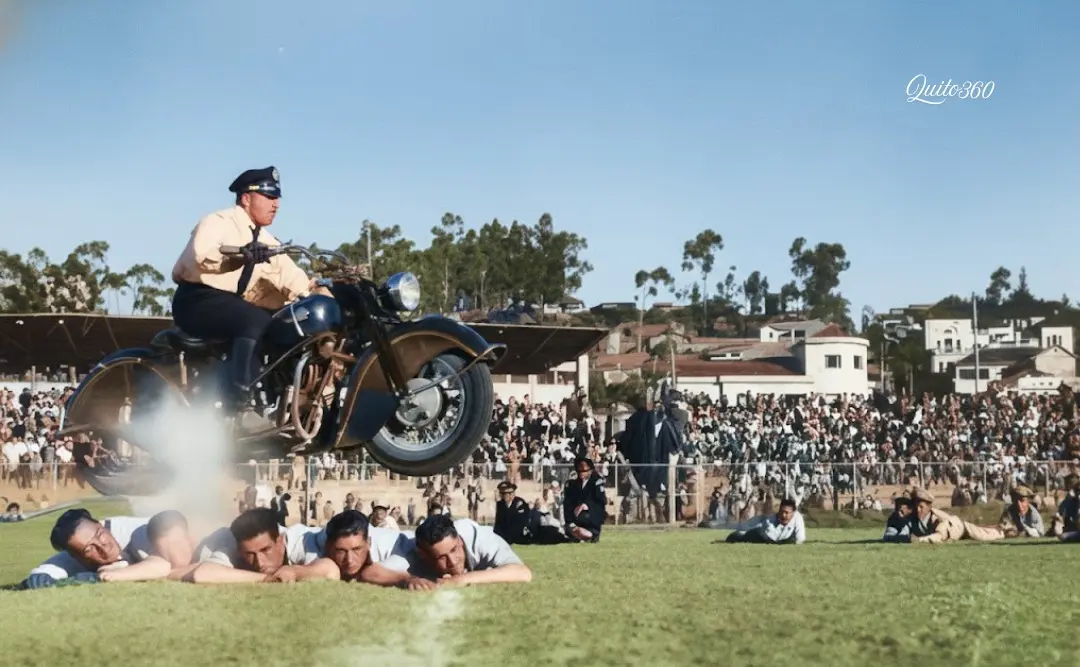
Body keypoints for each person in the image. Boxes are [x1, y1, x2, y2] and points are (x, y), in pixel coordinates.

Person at [169, 166, 330, 430]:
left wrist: (323, 291)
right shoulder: (219, 221)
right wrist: (240, 255)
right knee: (253, 319)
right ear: (246, 198)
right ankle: (239, 404)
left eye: (277, 198)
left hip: (231, 306)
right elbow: (201, 254)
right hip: (196, 300)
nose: (276, 204)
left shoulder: (267, 242)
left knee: (283, 323)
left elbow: (293, 278)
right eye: (268, 197)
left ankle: (276, 403)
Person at [189, 507, 337, 583]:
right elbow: (201, 574)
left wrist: (294, 571)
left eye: (266, 550)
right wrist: (266, 579)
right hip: (204, 547)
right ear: (240, 550)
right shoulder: (228, 545)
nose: (259, 562)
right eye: (250, 554)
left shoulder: (303, 542)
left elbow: (330, 571)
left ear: (280, 541)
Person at [21, 509, 153, 588]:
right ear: (78, 557)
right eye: (90, 549)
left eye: (100, 535)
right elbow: (43, 576)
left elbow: (168, 565)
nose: (102, 547)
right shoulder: (75, 556)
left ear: (100, 524)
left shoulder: (138, 532)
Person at [311, 509, 432, 589]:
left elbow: (367, 573)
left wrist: (408, 579)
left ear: (368, 543)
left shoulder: (400, 553)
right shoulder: (309, 548)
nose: (349, 560)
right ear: (328, 546)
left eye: (356, 549)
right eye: (341, 551)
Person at [407, 515, 531, 586]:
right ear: (424, 556)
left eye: (454, 549)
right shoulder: (412, 552)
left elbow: (522, 572)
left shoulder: (482, 539)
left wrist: (463, 579)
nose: (453, 562)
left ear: (459, 540)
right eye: (442, 557)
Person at [563, 456, 606, 542]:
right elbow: (567, 502)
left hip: (591, 519)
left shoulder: (596, 482)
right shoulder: (572, 484)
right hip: (576, 519)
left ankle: (586, 536)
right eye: (579, 471)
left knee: (587, 532)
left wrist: (587, 505)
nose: (581, 473)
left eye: (584, 471)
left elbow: (601, 501)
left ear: (590, 470)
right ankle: (574, 533)